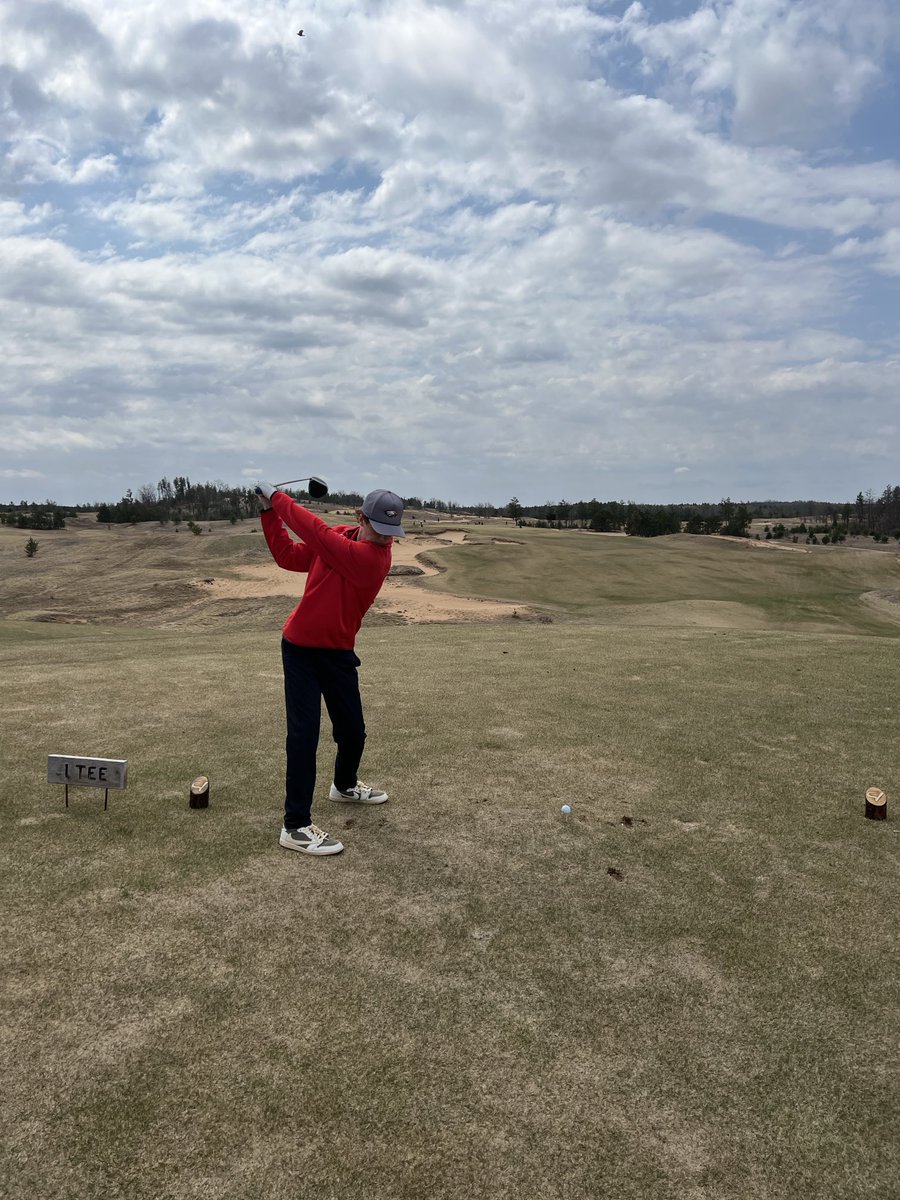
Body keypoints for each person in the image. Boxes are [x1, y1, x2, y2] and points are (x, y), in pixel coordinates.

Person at [255, 482, 405, 856]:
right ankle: (295, 826)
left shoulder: (372, 559)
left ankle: (344, 785)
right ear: (360, 518)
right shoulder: (340, 538)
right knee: (304, 736)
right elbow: (289, 555)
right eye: (380, 530)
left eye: (392, 534)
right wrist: (269, 513)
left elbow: (313, 530)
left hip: (338, 652)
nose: (386, 540)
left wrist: (277, 497)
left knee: (353, 731)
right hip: (300, 650)